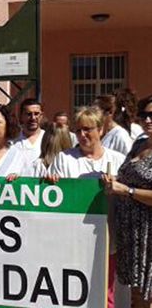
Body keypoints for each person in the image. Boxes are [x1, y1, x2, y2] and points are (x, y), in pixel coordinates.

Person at [48, 106, 125, 308]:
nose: (82, 135)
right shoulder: (64, 158)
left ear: (100, 130)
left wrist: (118, 186)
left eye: (88, 129)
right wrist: (51, 182)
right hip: (73, 239)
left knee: (105, 293)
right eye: (79, 130)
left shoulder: (117, 159)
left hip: (108, 237)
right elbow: (54, 196)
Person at [102, 95, 152, 308]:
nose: (148, 120)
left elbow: (129, 187)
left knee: (145, 295)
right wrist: (114, 180)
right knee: (136, 296)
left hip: (149, 233)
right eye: (144, 115)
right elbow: (125, 175)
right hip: (131, 232)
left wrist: (127, 190)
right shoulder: (139, 143)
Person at [13, 98, 45, 162]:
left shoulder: (48, 139)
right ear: (21, 116)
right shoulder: (13, 141)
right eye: (28, 114)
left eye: (36, 114)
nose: (33, 118)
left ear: (41, 116)